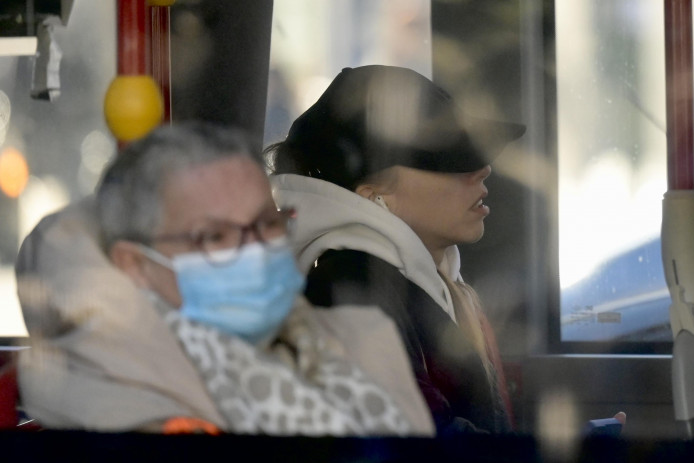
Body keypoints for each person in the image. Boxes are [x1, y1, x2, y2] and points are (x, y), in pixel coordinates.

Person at [14, 121, 433, 435]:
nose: (253, 250)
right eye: (214, 236)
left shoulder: (360, 343)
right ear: (135, 265)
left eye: (266, 224)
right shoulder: (114, 407)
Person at [266, 65, 526, 435]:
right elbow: (428, 443)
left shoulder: (425, 280)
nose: (482, 169)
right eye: (451, 160)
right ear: (371, 191)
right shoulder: (352, 290)